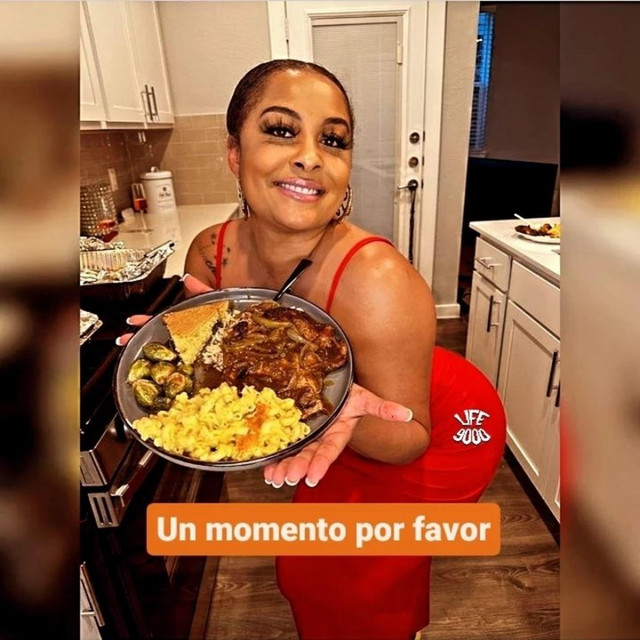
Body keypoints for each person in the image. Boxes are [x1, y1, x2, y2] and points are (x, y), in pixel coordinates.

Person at [123, 59, 507, 640]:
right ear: (234, 154)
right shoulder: (211, 252)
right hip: (336, 420)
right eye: (281, 130)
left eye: (333, 140)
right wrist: (175, 363)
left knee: (361, 580)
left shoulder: (379, 282)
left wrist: (329, 411)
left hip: (431, 426)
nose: (310, 156)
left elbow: (410, 436)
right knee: (309, 572)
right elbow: (220, 365)